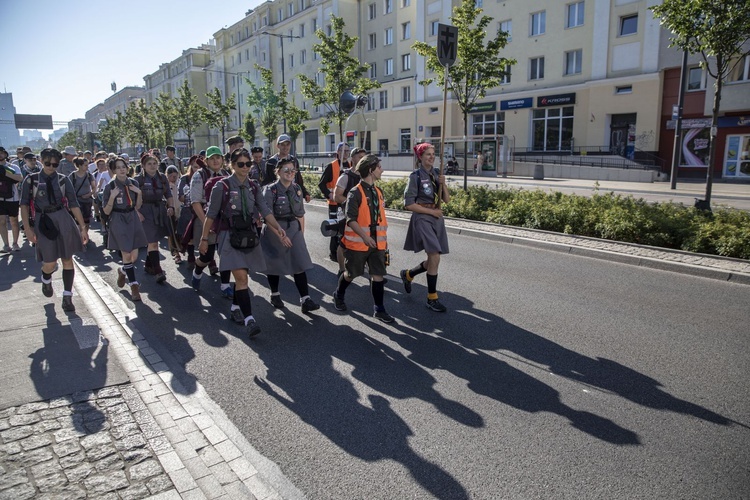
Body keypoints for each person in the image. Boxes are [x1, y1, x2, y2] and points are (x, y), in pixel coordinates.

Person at [199, 148, 289, 337]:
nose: (246, 167)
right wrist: (205, 239)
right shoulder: (221, 186)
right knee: (241, 278)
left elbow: (265, 210)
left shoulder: (254, 186)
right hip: (228, 236)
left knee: (243, 277)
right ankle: (250, 320)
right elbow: (211, 214)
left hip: (248, 236)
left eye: (248, 164)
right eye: (241, 164)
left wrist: (278, 229)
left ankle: (234, 308)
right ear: (231, 165)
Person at [19, 148, 89, 312]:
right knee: (49, 263)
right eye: (47, 163)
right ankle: (46, 278)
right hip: (43, 221)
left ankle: (67, 297)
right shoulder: (31, 180)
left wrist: (82, 227)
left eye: (55, 164)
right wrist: (28, 229)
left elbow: (73, 204)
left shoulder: (64, 180)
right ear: (41, 161)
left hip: (63, 218)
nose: (51, 167)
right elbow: (23, 205)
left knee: (67, 258)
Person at [333, 154, 394, 323]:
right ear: (370, 170)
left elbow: (380, 218)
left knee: (378, 275)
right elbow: (350, 219)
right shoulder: (355, 193)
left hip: (377, 244)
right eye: (379, 167)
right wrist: (365, 237)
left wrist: (384, 242)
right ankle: (339, 294)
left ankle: (379, 309)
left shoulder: (378, 192)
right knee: (351, 274)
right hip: (359, 244)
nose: (382, 170)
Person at [261, 158, 319, 313]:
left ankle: (305, 299)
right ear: (278, 171)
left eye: (293, 170)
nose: (290, 173)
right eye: (286, 170)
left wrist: (301, 234)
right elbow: (267, 216)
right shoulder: (270, 190)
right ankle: (275, 294)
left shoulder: (297, 189)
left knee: (299, 262)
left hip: (293, 228)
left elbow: (300, 214)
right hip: (275, 229)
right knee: (275, 264)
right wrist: (280, 235)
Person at [400, 143, 451, 312]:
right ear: (420, 157)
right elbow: (409, 205)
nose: (431, 157)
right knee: (435, 255)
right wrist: (431, 212)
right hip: (423, 217)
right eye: (428, 154)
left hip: (436, 217)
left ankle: (409, 274)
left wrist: (443, 184)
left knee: (433, 259)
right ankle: (432, 297)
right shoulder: (415, 176)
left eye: (433, 153)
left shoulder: (436, 173)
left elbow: (447, 200)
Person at [102, 156, 148, 301]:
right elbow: (106, 211)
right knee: (126, 255)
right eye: (118, 167)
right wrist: (112, 197)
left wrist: (139, 193)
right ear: (114, 170)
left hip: (132, 218)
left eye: (124, 166)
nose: (122, 169)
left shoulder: (133, 183)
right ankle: (134, 286)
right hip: (118, 219)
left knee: (134, 257)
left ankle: (122, 270)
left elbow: (138, 205)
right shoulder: (110, 186)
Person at [189, 146, 233, 295]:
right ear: (206, 161)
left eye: (218, 157)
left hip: (224, 220)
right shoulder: (199, 176)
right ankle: (197, 270)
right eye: (212, 158)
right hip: (205, 217)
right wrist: (207, 223)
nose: (215, 161)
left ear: (222, 159)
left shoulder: (227, 174)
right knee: (206, 256)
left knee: (226, 253)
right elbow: (195, 202)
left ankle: (225, 285)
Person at [134, 153, 176, 284]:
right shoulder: (138, 180)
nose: (152, 166)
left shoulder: (162, 178)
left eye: (154, 163)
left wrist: (171, 207)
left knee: (155, 239)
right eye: (149, 164)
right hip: (145, 212)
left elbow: (168, 194)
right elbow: (132, 199)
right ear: (143, 166)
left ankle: (148, 265)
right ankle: (158, 271)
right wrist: (137, 213)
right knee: (153, 242)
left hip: (159, 211)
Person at [332, 146, 366, 275]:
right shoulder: (345, 176)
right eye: (359, 157)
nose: (362, 159)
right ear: (353, 158)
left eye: (364, 157)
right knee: (344, 243)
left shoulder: (367, 176)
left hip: (363, 215)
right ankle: (342, 269)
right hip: (347, 215)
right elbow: (337, 196)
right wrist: (352, 204)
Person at [318, 142, 350, 261]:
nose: (346, 153)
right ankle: (333, 253)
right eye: (343, 151)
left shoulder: (351, 165)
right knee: (335, 228)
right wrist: (329, 194)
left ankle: (344, 251)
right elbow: (321, 184)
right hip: (334, 204)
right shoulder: (331, 166)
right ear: (338, 152)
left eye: (347, 151)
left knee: (346, 227)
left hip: (346, 203)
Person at [263, 134, 310, 202]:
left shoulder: (294, 160)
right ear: (278, 146)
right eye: (282, 145)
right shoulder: (271, 162)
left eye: (287, 144)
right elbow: (267, 181)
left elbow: (298, 178)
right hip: (278, 197)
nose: (285, 147)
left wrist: (305, 193)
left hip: (293, 195)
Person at [176, 157, 202, 269]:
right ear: (191, 166)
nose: (198, 169)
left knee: (206, 235)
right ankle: (191, 256)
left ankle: (210, 262)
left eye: (200, 167)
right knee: (190, 236)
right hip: (188, 210)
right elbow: (180, 197)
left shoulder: (205, 177)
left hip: (202, 209)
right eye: (195, 167)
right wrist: (190, 196)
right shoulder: (184, 179)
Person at [0, 147, 23, 252]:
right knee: (2, 221)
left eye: (1, 153)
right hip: (0, 199)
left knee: (14, 221)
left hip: (12, 198)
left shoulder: (12, 166)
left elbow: (19, 178)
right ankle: (6, 244)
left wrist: (5, 173)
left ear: (5, 154)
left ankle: (15, 243)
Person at [68, 156, 97, 234]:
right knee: (77, 220)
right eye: (85, 165)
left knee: (86, 220)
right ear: (80, 166)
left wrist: (89, 194)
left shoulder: (89, 175)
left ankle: (85, 234)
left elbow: (94, 187)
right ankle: (79, 236)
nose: (87, 167)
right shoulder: (73, 175)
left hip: (87, 201)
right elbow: (68, 189)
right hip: (76, 201)